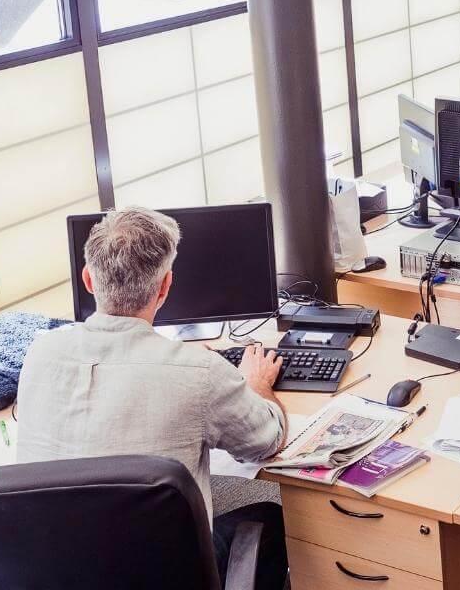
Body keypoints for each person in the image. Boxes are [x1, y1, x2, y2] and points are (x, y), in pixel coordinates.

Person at [17, 207, 289, 590]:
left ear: (88, 280)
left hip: (50, 572)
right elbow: (266, 441)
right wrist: (257, 384)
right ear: (165, 286)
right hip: (163, 575)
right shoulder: (199, 371)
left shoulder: (40, 354)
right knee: (270, 517)